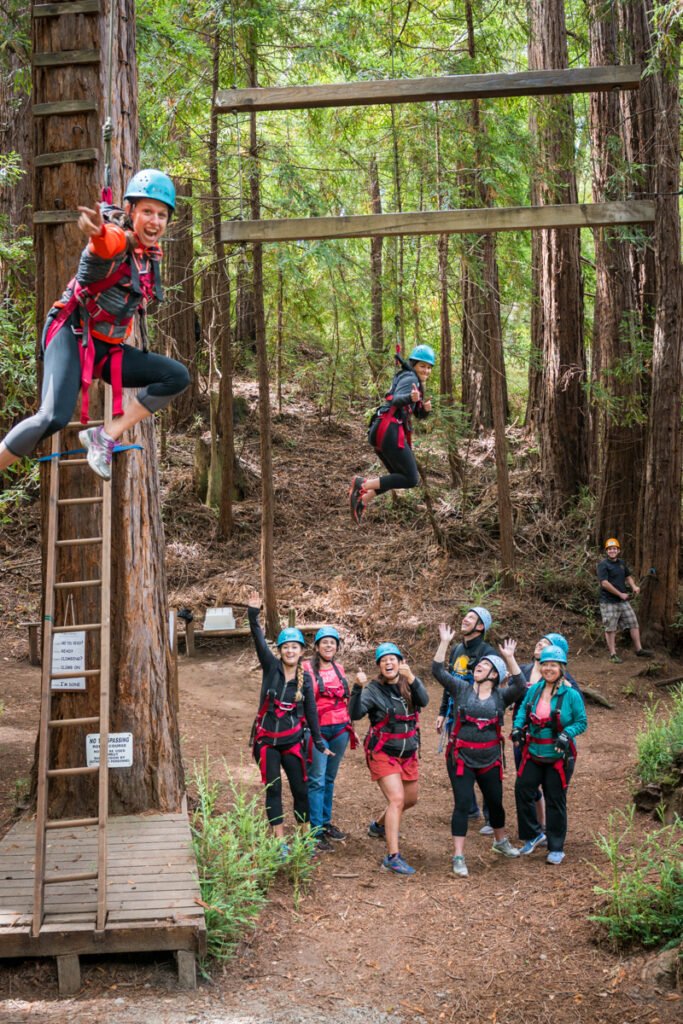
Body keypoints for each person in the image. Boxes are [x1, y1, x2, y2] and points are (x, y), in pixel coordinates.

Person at [0, 170, 190, 481]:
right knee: (52, 417)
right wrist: (97, 231)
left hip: (106, 348)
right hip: (72, 333)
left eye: (161, 214)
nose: (155, 221)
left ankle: (104, 435)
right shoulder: (113, 241)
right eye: (147, 212)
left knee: (176, 376)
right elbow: (106, 241)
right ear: (129, 211)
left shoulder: (148, 254)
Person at [432, 626, 525, 877]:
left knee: (495, 803)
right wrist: (444, 643)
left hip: (491, 759)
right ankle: (458, 855)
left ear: (495, 675)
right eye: (479, 665)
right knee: (462, 804)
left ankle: (500, 841)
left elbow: (522, 685)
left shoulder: (502, 696)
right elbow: (437, 670)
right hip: (461, 758)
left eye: (485, 666)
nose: (478, 667)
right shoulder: (460, 689)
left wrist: (509, 658)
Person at [247, 592, 331, 853]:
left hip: (292, 742)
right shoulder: (270, 667)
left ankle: (305, 839)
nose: (290, 650)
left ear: (302, 651)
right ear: (280, 651)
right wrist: (253, 613)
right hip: (267, 743)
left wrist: (318, 740)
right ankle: (279, 841)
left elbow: (312, 711)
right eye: (286, 647)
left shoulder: (306, 678)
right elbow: (258, 639)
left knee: (300, 790)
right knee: (274, 790)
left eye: (295, 646)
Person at [349, 642, 429, 876]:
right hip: (383, 752)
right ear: (379, 666)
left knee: (410, 800)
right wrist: (356, 688)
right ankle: (392, 858)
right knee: (397, 799)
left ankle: (378, 826)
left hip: (408, 753)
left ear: (400, 662)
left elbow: (424, 701)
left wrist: (412, 678)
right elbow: (354, 713)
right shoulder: (373, 690)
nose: (388, 662)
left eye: (392, 658)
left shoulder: (409, 684)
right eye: (383, 660)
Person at [513, 644, 587, 865]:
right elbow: (522, 712)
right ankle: (533, 834)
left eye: (553, 665)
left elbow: (581, 721)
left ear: (561, 668)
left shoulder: (571, 694)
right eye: (545, 664)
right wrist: (517, 728)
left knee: (555, 798)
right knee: (523, 789)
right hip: (534, 751)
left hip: (558, 756)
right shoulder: (535, 689)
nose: (548, 669)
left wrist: (567, 734)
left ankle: (556, 847)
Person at [349, 344, 434, 523]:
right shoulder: (410, 377)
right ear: (414, 364)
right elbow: (393, 399)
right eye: (422, 366)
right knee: (411, 478)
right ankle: (361, 484)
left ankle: (362, 499)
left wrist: (424, 409)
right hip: (390, 431)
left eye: (429, 367)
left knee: (395, 477)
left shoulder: (412, 379)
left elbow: (417, 413)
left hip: (384, 431)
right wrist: (409, 398)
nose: (426, 370)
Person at [435, 606, 497, 830]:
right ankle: (470, 808)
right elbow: (449, 683)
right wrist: (443, 712)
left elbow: (495, 689)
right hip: (456, 715)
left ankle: (492, 818)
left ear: (481, 626)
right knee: (458, 761)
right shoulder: (457, 650)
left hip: (479, 719)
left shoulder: (487, 652)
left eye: (471, 617)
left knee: (485, 767)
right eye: (466, 615)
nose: (465, 619)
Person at [302, 626, 355, 852]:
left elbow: (346, 700)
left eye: (332, 642)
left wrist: (351, 726)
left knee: (330, 778)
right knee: (316, 779)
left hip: (340, 729)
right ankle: (314, 830)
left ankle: (324, 822)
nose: (328, 646)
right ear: (316, 646)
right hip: (318, 731)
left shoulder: (339, 668)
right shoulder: (305, 669)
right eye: (324, 642)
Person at [597, 538, 653, 663]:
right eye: (610, 549)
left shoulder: (621, 563)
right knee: (610, 628)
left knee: (633, 623)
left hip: (623, 601)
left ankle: (639, 650)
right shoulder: (603, 565)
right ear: (607, 551)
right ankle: (613, 654)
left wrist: (634, 587)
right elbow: (604, 583)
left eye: (614, 549)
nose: (612, 551)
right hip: (608, 602)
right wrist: (620, 594)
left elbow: (628, 577)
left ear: (618, 550)